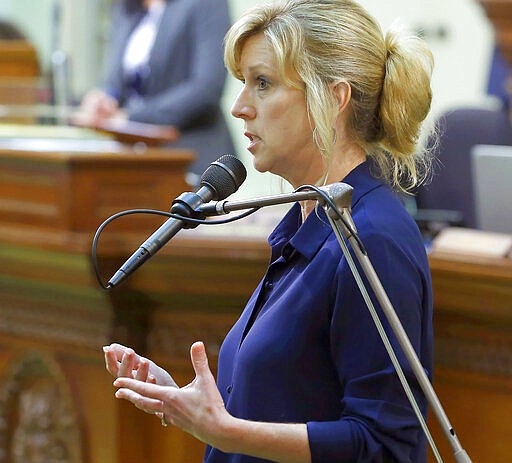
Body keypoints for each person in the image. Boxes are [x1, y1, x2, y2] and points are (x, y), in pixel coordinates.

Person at [103, 0, 435, 461]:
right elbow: (285, 402)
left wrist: (225, 432)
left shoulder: (371, 237)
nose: (239, 108)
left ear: (334, 98)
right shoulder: (303, 221)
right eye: (243, 84)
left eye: (263, 83)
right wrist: (187, 404)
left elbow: (386, 446)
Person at [78, 0, 235, 177]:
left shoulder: (206, 4)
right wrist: (105, 100)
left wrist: (132, 118)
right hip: (132, 155)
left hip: (190, 155)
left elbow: (206, 87)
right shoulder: (126, 8)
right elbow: (117, 82)